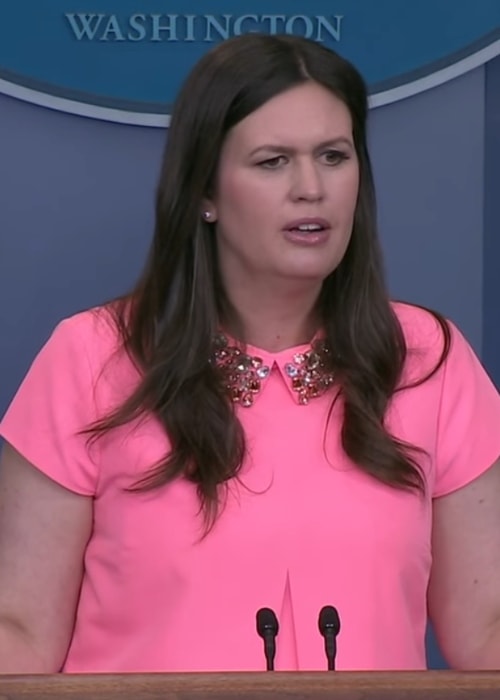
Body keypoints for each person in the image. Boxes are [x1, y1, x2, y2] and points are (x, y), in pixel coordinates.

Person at [0, 33, 499, 675]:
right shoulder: (92, 357)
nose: (311, 188)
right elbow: (21, 630)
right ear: (205, 191)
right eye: (273, 161)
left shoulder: (429, 359)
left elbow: (485, 629)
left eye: (333, 156)